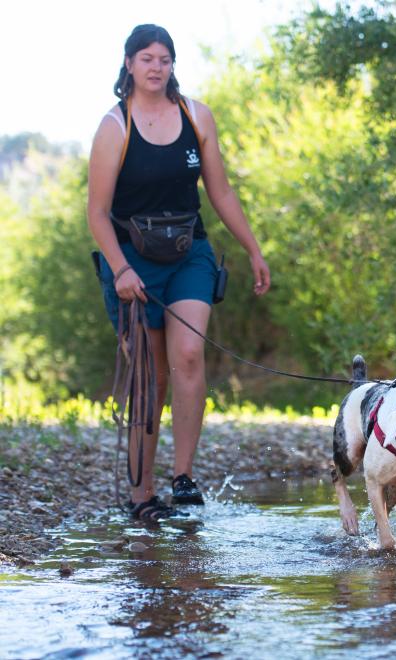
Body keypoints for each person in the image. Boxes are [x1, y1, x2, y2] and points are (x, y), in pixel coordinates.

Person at [87, 24, 270, 522]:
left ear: (172, 65)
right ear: (129, 64)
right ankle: (142, 495)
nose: (155, 67)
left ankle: (183, 477)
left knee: (187, 355)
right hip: (133, 260)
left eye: (164, 59)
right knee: (150, 379)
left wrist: (253, 250)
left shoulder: (196, 116)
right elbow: (97, 213)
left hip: (191, 250)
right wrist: (121, 268)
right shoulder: (114, 126)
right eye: (145, 58)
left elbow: (222, 192)